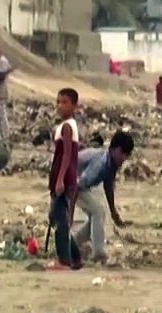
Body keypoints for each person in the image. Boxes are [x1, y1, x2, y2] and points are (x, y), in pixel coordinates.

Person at [73, 131, 134, 264]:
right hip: (70, 181)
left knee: (98, 216)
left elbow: (108, 186)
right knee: (98, 212)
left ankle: (73, 243)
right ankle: (99, 253)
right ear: (113, 149)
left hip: (78, 184)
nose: (124, 158)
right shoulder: (101, 164)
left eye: (127, 155)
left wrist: (114, 212)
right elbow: (77, 185)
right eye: (122, 153)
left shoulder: (112, 164)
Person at [47, 88, 81, 270]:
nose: (60, 106)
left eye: (65, 102)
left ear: (74, 106)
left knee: (60, 221)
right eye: (58, 102)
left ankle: (64, 261)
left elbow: (66, 155)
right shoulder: (68, 125)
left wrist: (59, 179)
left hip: (64, 178)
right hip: (66, 177)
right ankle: (75, 257)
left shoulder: (67, 126)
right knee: (61, 218)